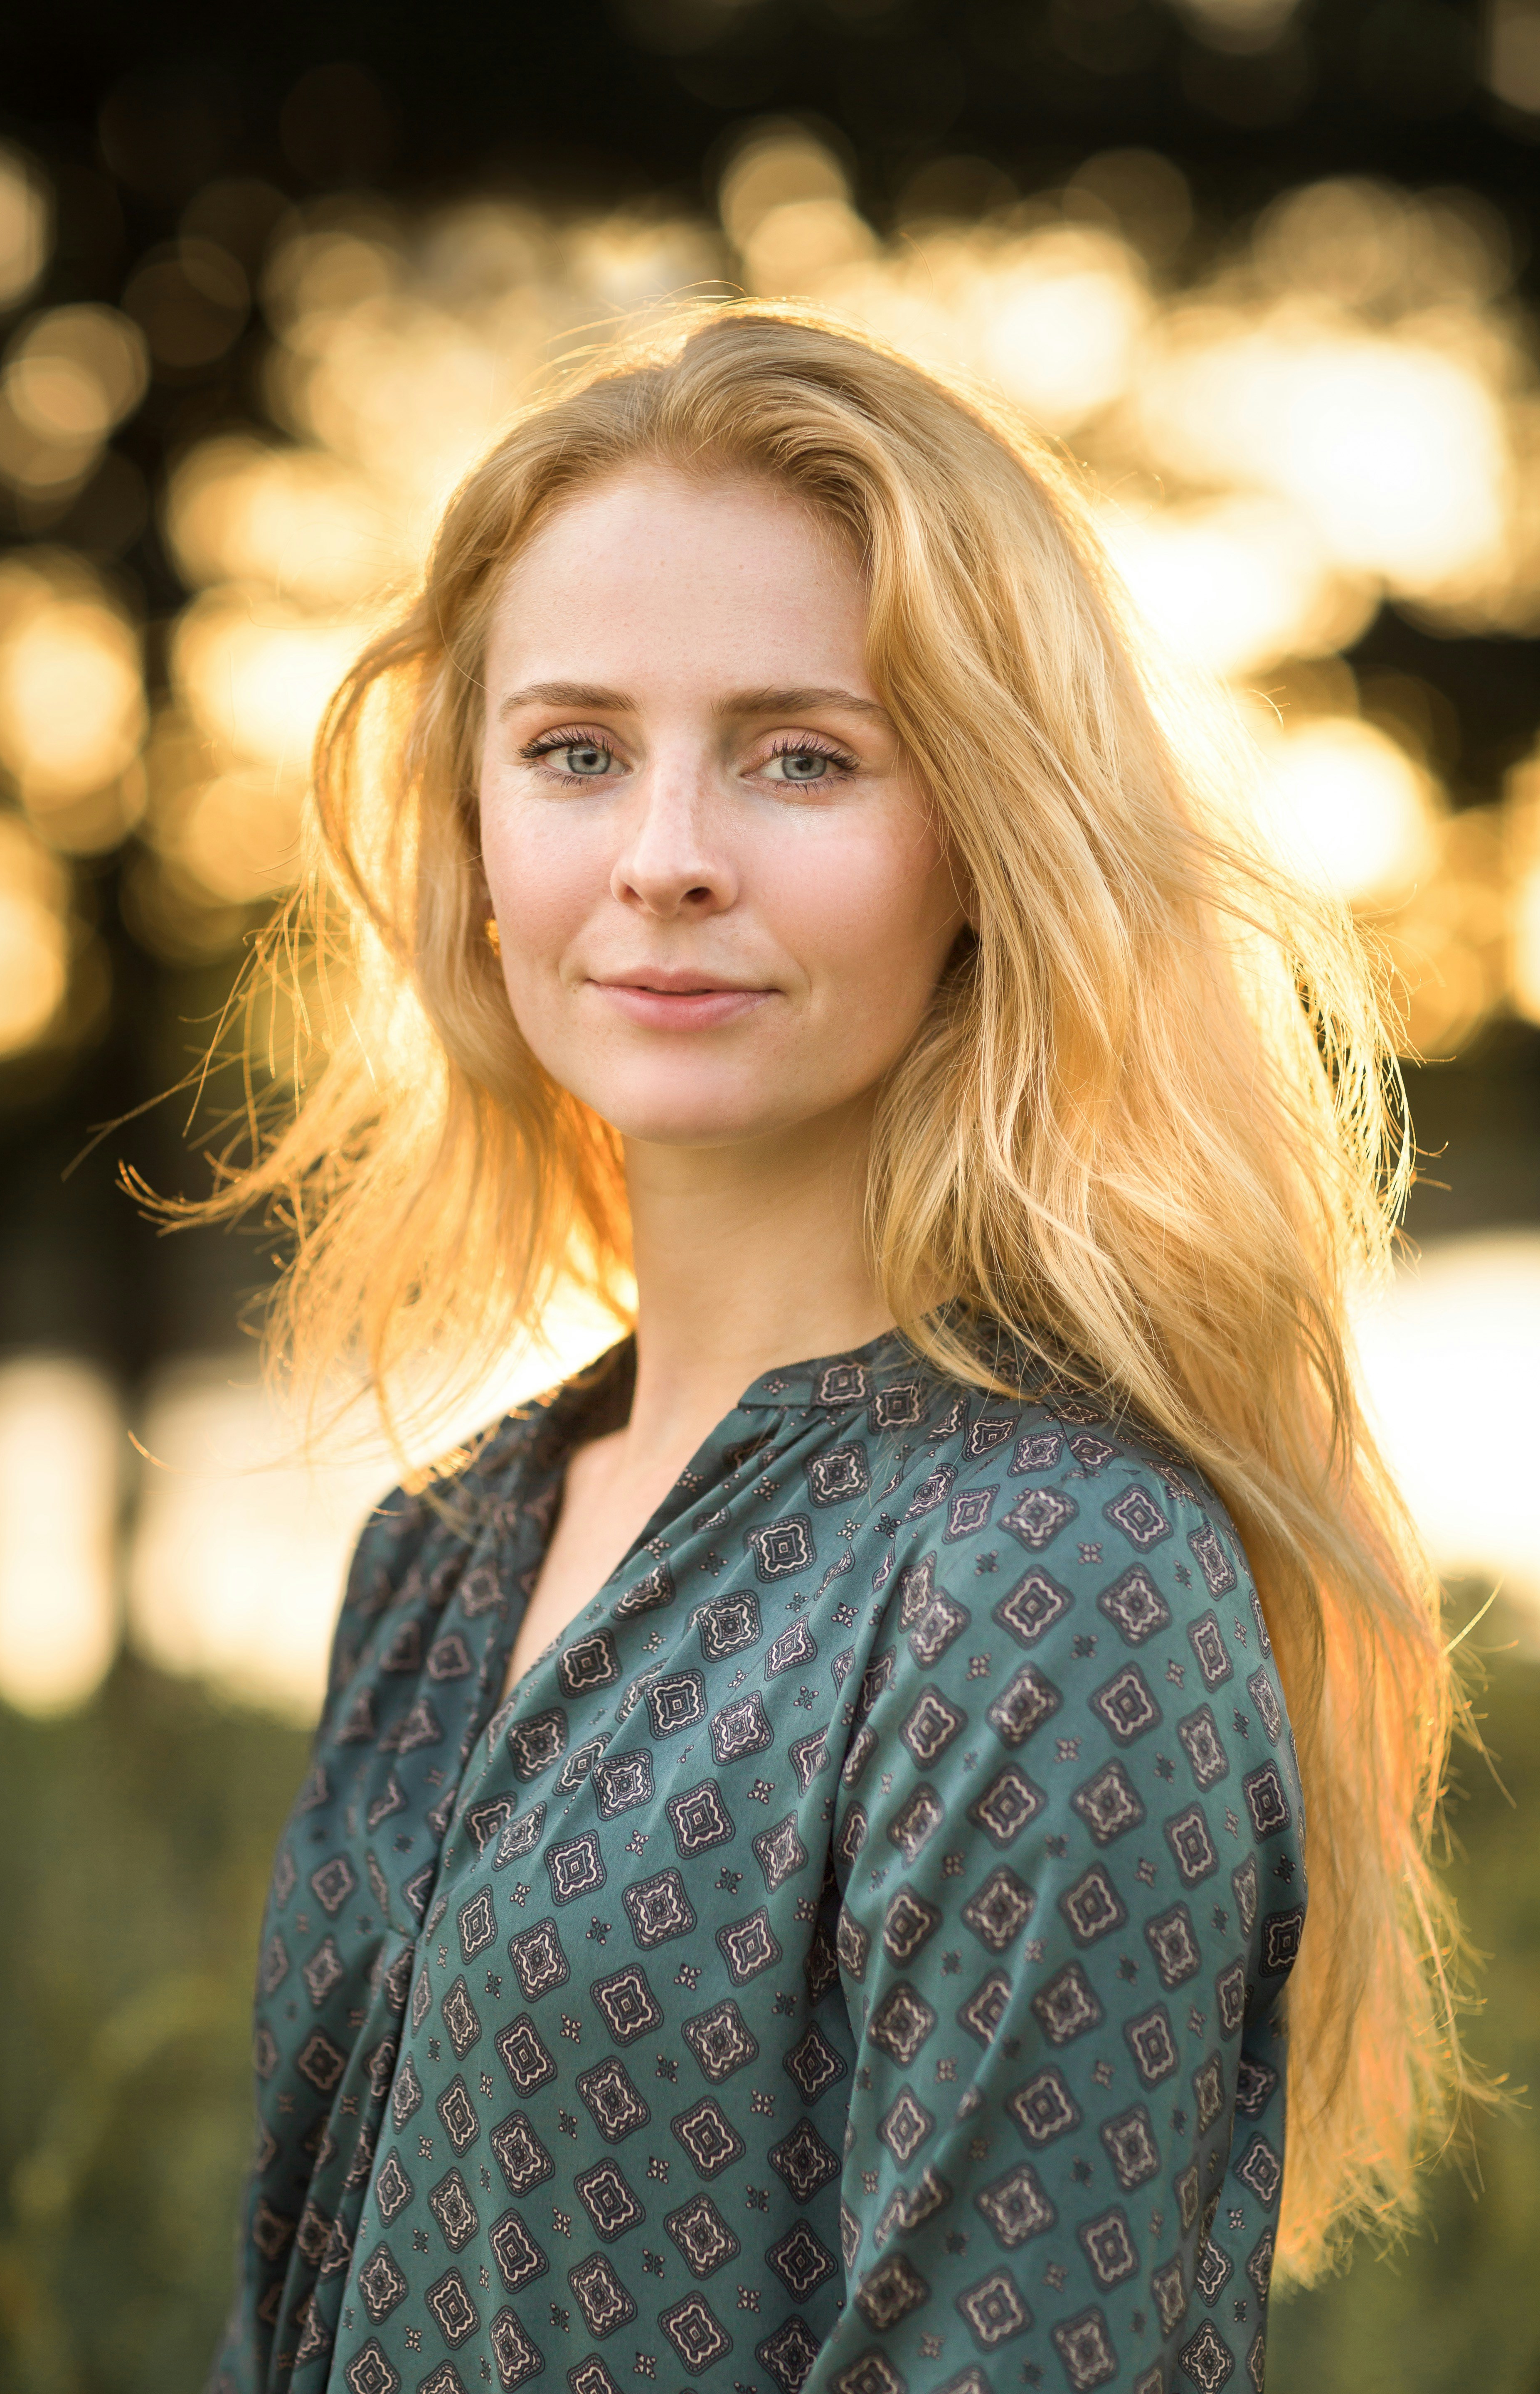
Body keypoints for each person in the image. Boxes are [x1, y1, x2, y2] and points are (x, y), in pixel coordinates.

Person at [195, 305, 1462, 2394]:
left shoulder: (1057, 1587)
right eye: (577, 750)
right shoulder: (441, 1550)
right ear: (482, 843)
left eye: (801, 755)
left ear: (977, 847)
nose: (667, 852)